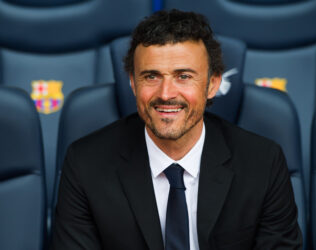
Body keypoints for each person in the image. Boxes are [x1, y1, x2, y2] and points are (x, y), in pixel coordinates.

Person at [50, 9, 302, 250]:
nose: (166, 93)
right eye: (151, 76)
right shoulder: (86, 164)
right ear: (132, 84)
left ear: (213, 84)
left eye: (183, 76)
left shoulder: (262, 163)